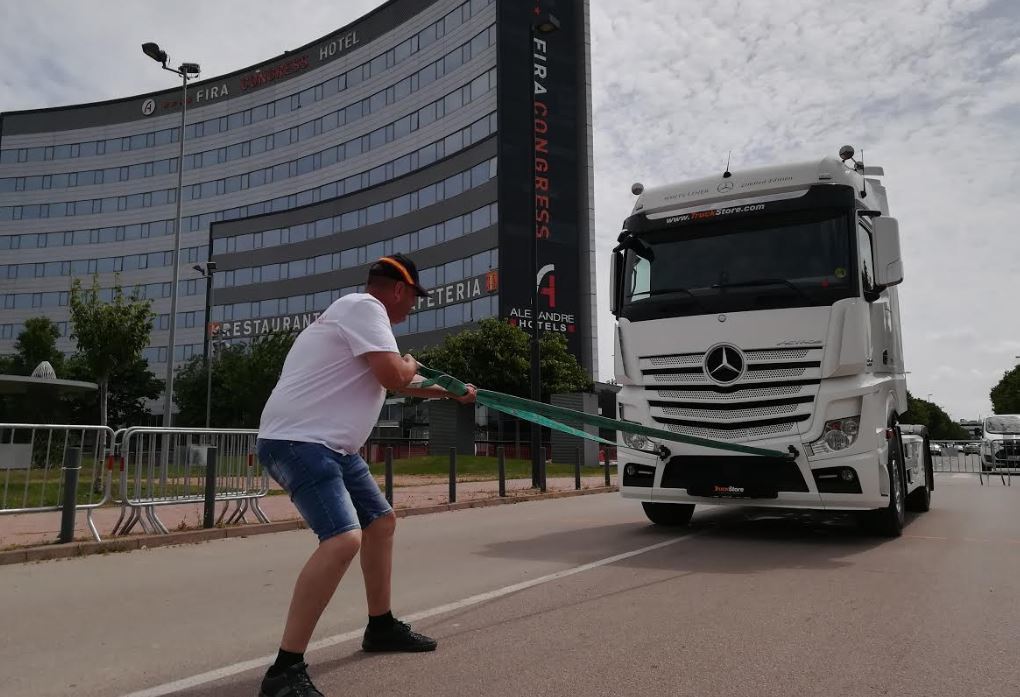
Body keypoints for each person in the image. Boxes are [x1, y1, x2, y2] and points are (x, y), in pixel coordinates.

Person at [256, 253, 477, 697]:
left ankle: (380, 626)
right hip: (300, 442)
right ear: (400, 290)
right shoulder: (365, 308)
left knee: (381, 522)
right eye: (414, 297)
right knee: (343, 538)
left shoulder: (359, 324)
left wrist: (451, 392)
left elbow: (394, 378)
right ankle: (284, 671)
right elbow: (396, 375)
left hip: (334, 448)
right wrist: (411, 365)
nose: (413, 306)